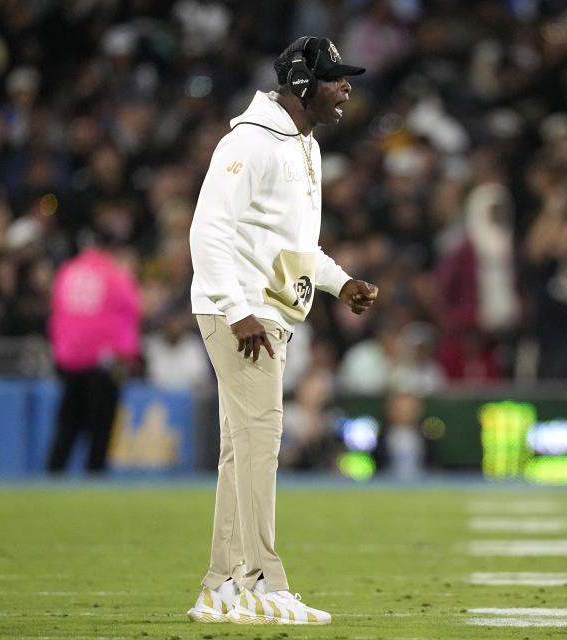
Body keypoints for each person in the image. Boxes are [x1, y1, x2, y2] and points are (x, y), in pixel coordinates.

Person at [186, 36, 377, 625]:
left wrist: (340, 282)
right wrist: (237, 307)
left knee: (240, 453)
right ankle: (262, 583)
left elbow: (293, 250)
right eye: (334, 77)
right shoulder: (250, 140)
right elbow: (207, 229)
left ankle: (221, 587)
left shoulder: (304, 146)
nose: (346, 86)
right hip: (244, 315)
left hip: (264, 311)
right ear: (301, 84)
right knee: (261, 446)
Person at [46, 226, 142, 472]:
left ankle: (51, 477)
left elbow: (57, 314)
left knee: (67, 424)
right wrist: (127, 357)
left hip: (69, 360)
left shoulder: (67, 271)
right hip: (102, 361)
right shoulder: (115, 275)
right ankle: (94, 478)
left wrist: (61, 352)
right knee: (100, 429)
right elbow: (129, 317)